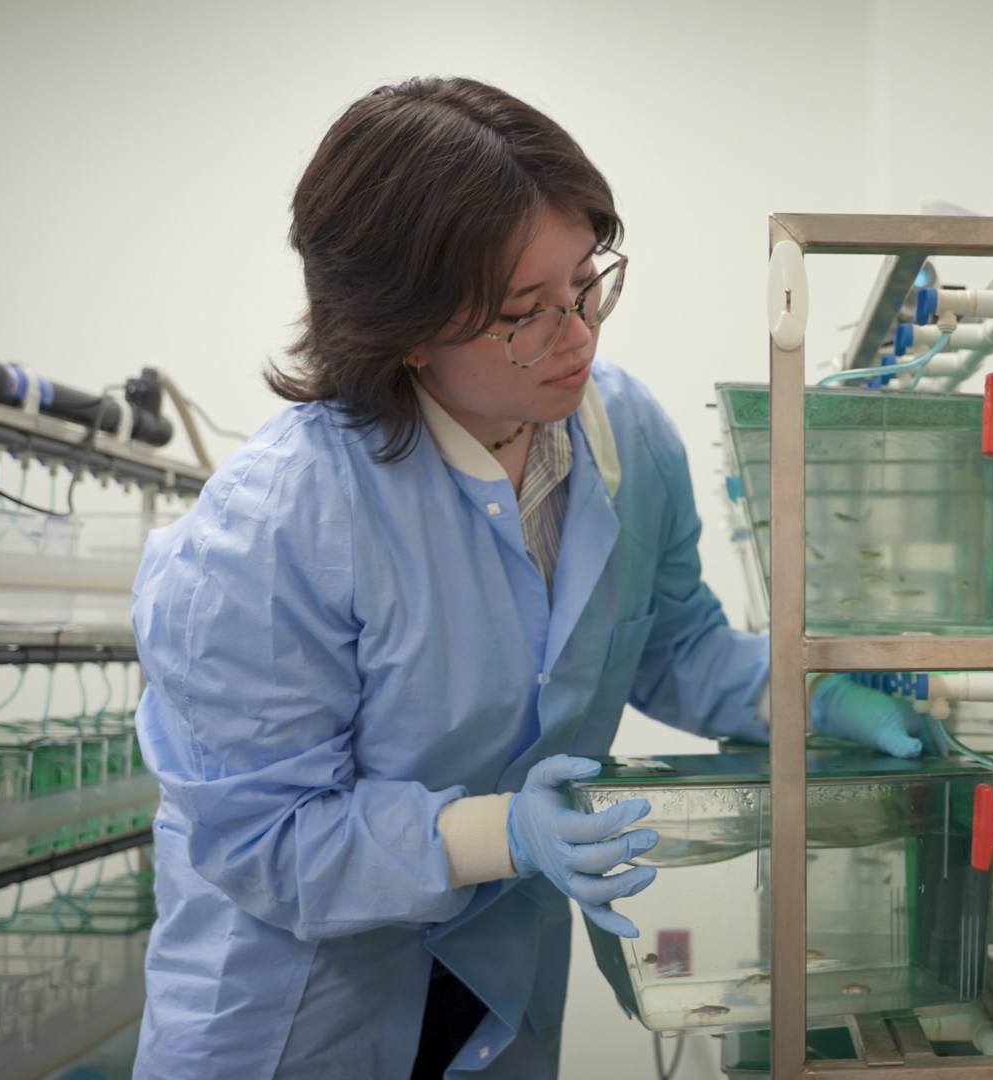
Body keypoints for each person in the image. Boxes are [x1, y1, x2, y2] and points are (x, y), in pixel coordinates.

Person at [130, 77, 934, 1080]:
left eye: (587, 283)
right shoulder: (276, 523)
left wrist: (817, 693)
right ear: (405, 331)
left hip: (497, 987)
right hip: (295, 1009)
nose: (580, 334)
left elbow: (673, 647)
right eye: (526, 313)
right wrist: (498, 832)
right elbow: (263, 838)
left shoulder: (623, 436)